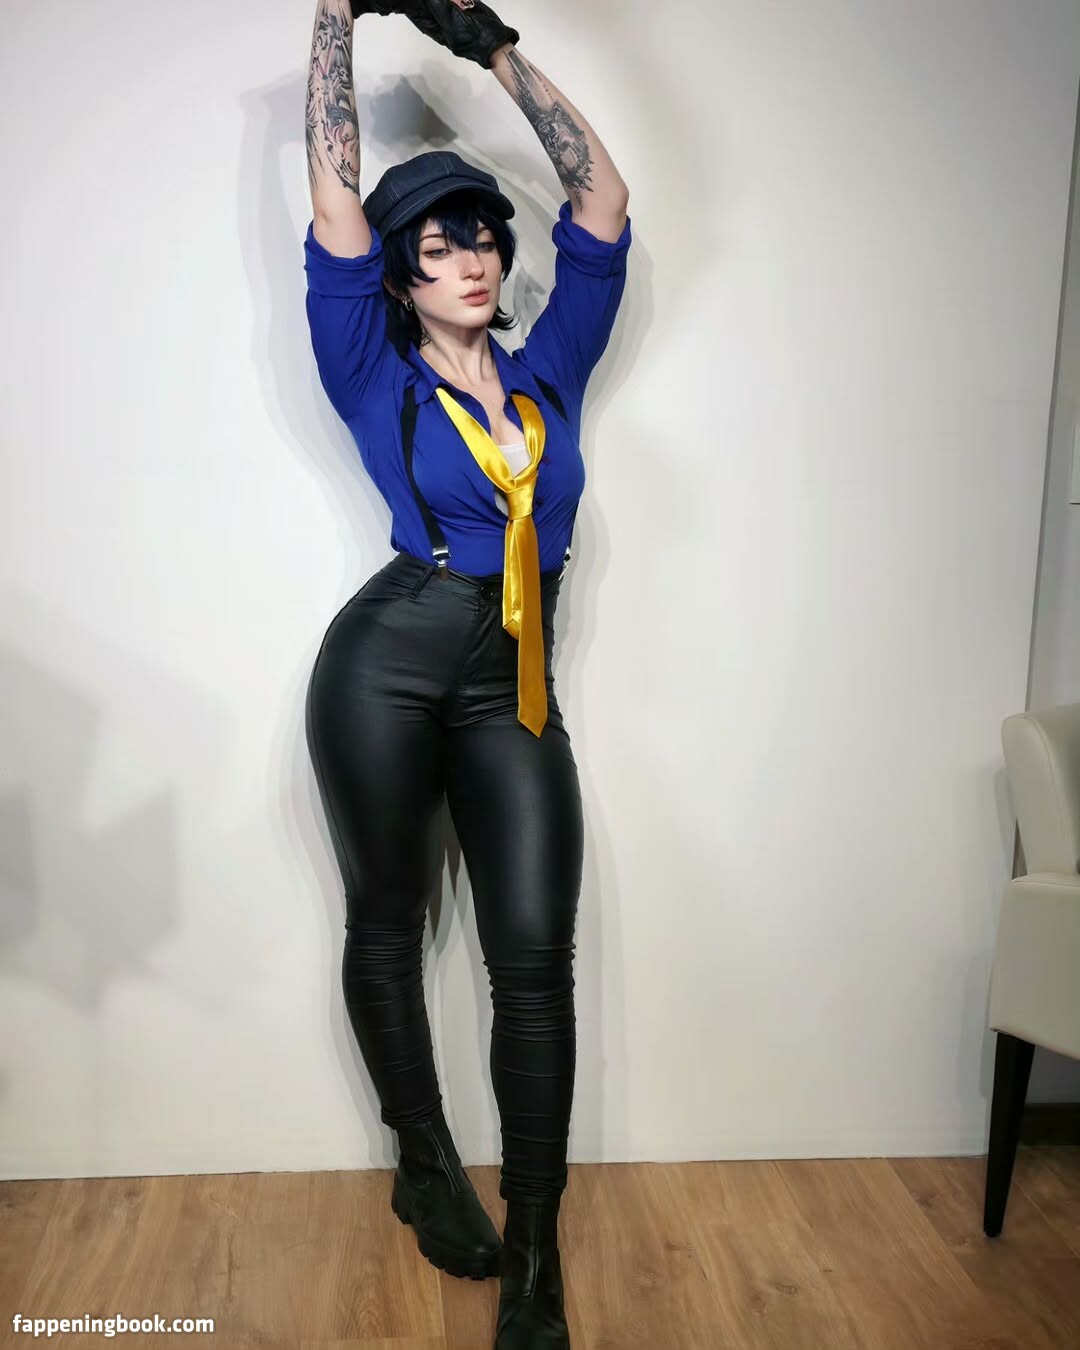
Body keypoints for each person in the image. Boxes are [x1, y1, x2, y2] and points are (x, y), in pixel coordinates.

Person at [302, 1, 632, 1345]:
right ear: (400, 279)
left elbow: (602, 201)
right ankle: (425, 1162)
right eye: (437, 248)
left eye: (481, 238)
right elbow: (334, 191)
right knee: (387, 923)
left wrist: (492, 47)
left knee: (535, 963)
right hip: (383, 665)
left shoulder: (550, 370)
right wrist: (335, 11)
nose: (473, 260)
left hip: (515, 689)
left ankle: (536, 1257)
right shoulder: (369, 368)